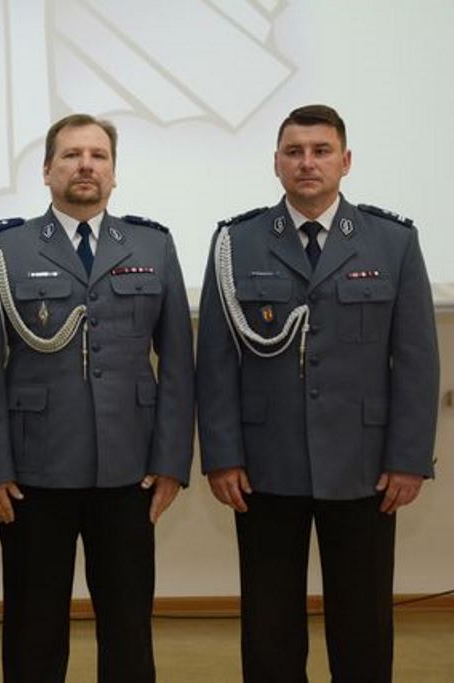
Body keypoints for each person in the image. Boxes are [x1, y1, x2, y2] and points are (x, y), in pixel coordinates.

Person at [196, 104, 439, 682]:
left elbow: (415, 360)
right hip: (264, 463)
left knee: (363, 620)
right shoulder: (236, 242)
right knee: (269, 623)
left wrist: (408, 459)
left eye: (321, 151)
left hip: (364, 465)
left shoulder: (392, 241)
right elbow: (216, 361)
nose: (308, 163)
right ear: (276, 163)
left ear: (345, 161)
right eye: (295, 152)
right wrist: (222, 455)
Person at [0, 113, 194, 682]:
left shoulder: (153, 244)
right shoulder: (3, 249)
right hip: (32, 472)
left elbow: (178, 366)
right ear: (47, 171)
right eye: (71, 155)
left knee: (129, 628)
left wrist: (171, 462)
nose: (85, 166)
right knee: (33, 631)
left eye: (98, 156)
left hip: (130, 470)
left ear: (114, 172)